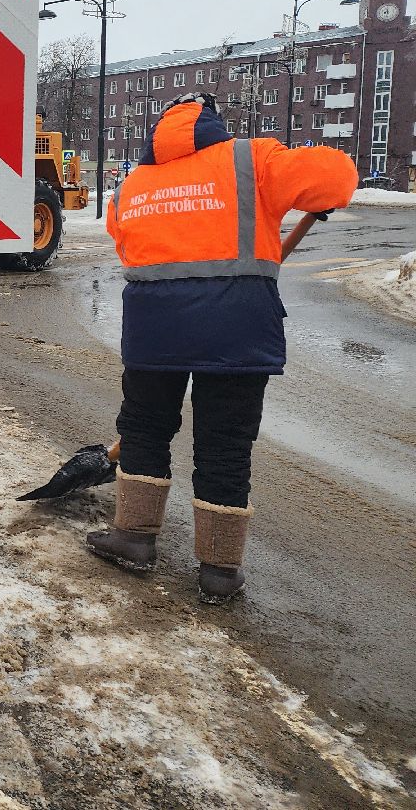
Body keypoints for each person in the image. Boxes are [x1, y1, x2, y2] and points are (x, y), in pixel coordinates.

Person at [86, 92, 356, 604]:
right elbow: (338, 180)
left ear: (157, 132)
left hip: (154, 329)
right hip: (237, 325)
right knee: (226, 442)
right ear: (212, 122)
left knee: (144, 427)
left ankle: (134, 539)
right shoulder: (251, 159)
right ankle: (219, 571)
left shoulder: (131, 185)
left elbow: (125, 244)